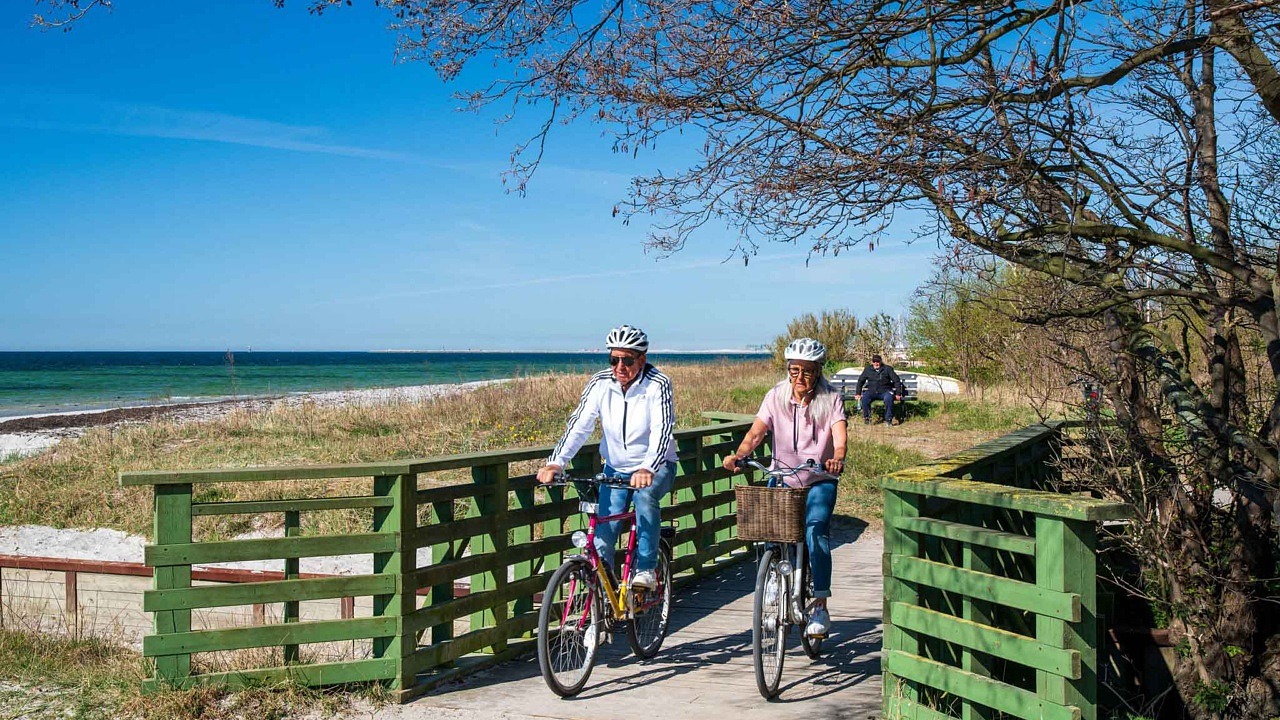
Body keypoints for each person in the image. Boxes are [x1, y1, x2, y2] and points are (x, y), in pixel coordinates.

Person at [537, 325, 678, 590]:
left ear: (642, 359)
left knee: (645, 498)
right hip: (615, 468)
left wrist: (648, 467)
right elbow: (580, 425)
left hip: (657, 465)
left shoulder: (658, 384)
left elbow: (662, 429)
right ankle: (598, 612)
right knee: (603, 536)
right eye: (614, 359)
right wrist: (557, 462)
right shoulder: (600, 383)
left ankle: (646, 569)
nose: (620, 366)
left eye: (627, 360)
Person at [722, 337, 847, 636]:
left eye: (807, 371)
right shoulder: (776, 395)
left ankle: (819, 605)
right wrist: (740, 455)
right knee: (770, 527)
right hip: (784, 475)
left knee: (815, 530)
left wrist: (837, 458)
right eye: (794, 370)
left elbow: (839, 436)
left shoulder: (831, 399)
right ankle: (775, 579)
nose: (799, 378)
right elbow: (756, 433)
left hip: (819, 478)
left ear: (818, 371)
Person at [855, 353, 906, 425]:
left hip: (885, 391)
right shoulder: (868, 369)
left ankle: (888, 420)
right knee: (865, 398)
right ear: (872, 362)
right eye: (874, 361)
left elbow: (896, 381)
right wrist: (858, 393)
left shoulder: (887, 369)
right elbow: (860, 381)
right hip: (871, 391)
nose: (876, 363)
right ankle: (867, 419)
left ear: (881, 361)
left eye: (877, 361)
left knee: (889, 398)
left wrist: (898, 394)